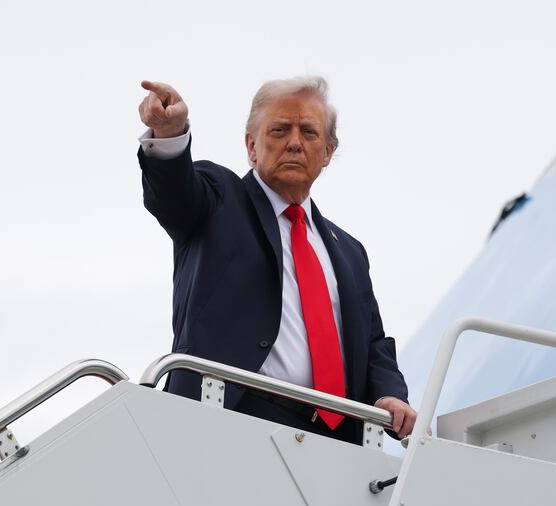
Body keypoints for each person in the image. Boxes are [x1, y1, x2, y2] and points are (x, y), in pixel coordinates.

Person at [137, 76, 417, 445]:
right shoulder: (220, 199)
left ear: (329, 151)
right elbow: (174, 193)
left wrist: (388, 394)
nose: (295, 143)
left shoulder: (349, 251)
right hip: (232, 415)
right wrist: (169, 134)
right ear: (252, 145)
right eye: (280, 129)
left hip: (336, 438)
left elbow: (372, 342)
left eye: (309, 133)